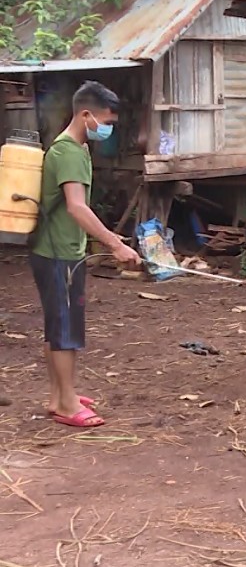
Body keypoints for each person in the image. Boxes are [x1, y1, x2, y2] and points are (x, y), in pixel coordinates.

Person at [30, 80, 142, 428]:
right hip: (58, 252)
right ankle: (65, 403)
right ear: (86, 114)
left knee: (59, 327)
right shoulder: (69, 152)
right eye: (105, 122)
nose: (107, 129)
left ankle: (60, 394)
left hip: (59, 250)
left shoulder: (72, 148)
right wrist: (114, 244)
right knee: (65, 330)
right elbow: (76, 207)